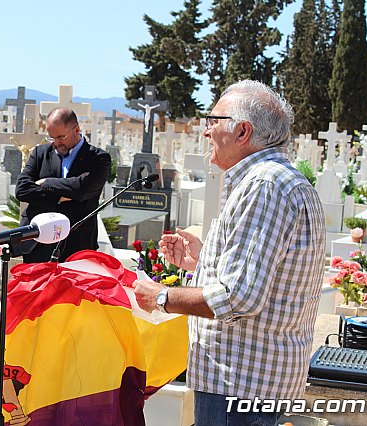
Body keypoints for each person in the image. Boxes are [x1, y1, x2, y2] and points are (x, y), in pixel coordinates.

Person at [134, 80, 326, 426]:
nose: (206, 131)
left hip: (240, 387)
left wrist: (161, 296)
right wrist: (203, 261)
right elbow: (263, 276)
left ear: (242, 131)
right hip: (250, 383)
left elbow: (239, 298)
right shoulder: (274, 181)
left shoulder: (264, 186)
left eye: (214, 120)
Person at [15, 107, 110, 263]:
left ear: (77, 129)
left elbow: (82, 189)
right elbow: (22, 190)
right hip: (38, 245)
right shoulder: (40, 153)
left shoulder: (98, 158)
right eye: (52, 137)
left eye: (61, 137)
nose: (56, 143)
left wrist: (47, 183)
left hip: (77, 245)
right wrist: (59, 197)